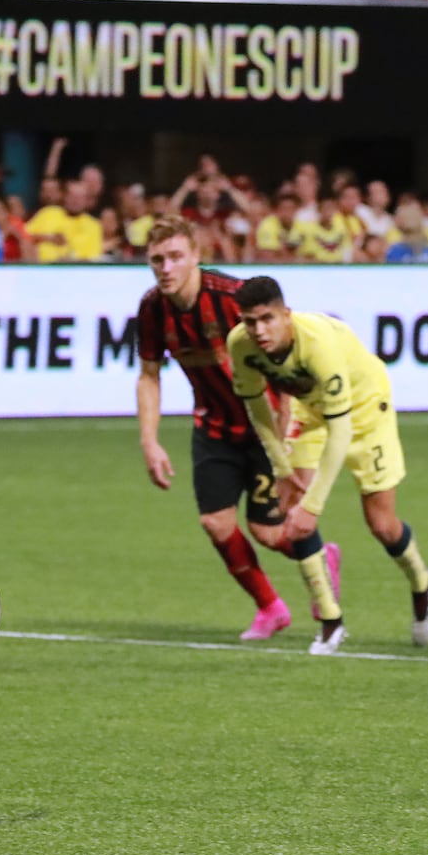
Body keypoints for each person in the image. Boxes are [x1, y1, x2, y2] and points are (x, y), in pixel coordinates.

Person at [135, 216, 340, 641]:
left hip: (265, 425)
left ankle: (319, 556)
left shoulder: (231, 298)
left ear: (196, 256)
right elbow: (149, 374)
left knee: (267, 531)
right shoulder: (153, 307)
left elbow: (284, 351)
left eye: (175, 257)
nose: (166, 268)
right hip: (213, 426)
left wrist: (288, 429)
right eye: (157, 259)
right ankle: (271, 608)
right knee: (216, 523)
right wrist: (150, 441)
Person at [228, 275, 428, 656]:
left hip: (363, 411)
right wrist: (281, 469)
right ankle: (331, 622)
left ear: (286, 315)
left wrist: (313, 505)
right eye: (250, 321)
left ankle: (423, 583)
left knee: (381, 525)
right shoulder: (240, 345)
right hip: (309, 412)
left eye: (267, 319)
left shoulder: (318, 344)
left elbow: (341, 431)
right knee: (290, 512)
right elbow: (257, 407)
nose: (259, 331)